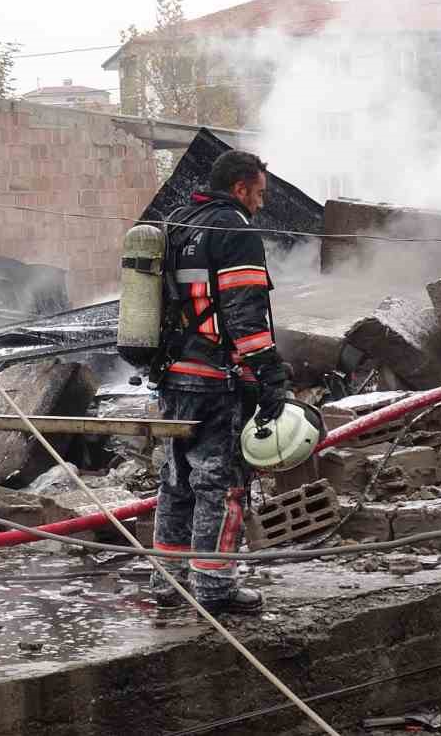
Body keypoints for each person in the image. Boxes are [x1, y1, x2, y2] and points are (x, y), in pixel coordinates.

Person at [151, 149, 289, 614]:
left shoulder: (178, 222)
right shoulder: (235, 227)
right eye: (260, 194)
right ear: (240, 188)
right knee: (221, 483)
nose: (262, 204)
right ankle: (214, 587)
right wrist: (269, 372)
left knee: (175, 480)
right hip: (217, 378)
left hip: (173, 376)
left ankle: (167, 583)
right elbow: (243, 308)